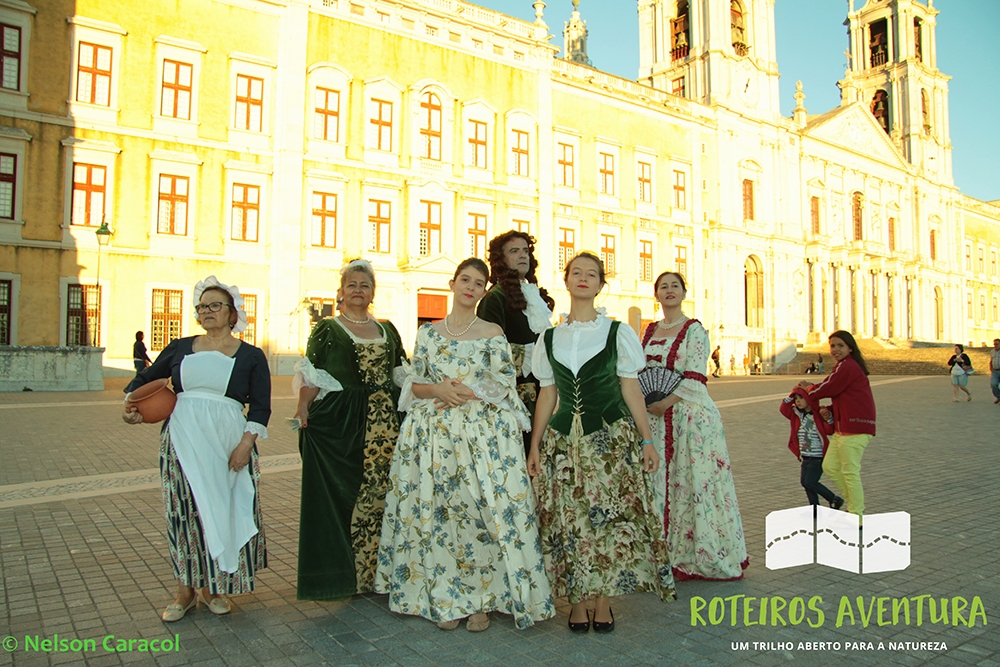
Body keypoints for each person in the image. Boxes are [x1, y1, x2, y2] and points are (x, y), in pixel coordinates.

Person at [376, 258, 554, 632]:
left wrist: (468, 391)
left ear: (483, 291)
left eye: (478, 283)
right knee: (442, 513)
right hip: (434, 437)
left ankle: (482, 600)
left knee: (481, 513)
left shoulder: (492, 332)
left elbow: (504, 384)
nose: (470, 287)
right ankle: (447, 597)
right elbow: (415, 385)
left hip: (482, 435)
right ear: (453, 283)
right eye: (465, 280)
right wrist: (438, 389)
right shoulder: (428, 333)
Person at [528, 252, 674, 634]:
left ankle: (604, 601)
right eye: (576, 272)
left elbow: (630, 388)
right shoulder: (549, 337)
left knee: (608, 519)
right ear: (566, 280)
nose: (583, 278)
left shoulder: (617, 332)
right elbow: (547, 393)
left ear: (600, 284)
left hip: (609, 442)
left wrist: (647, 440)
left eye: (591, 274)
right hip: (563, 444)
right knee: (570, 521)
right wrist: (535, 445)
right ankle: (577, 602)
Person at [122, 276, 270, 622]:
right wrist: (131, 406)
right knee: (183, 513)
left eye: (215, 305)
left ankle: (214, 588)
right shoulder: (180, 347)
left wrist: (245, 445)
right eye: (202, 306)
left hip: (229, 441)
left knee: (221, 510)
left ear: (233, 313)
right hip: (182, 438)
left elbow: (261, 406)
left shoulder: (251, 355)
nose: (206, 311)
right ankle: (185, 591)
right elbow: (144, 380)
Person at [293, 259, 406, 601]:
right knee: (351, 495)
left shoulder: (388, 329)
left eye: (364, 285)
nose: (358, 290)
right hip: (346, 423)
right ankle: (351, 577)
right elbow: (314, 375)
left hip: (388, 424)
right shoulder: (327, 330)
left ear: (373, 292)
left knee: (386, 494)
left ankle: (384, 574)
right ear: (341, 292)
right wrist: (302, 408)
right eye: (352, 285)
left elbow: (401, 375)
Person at [641, 271, 748, 581]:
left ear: (684, 293)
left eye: (675, 286)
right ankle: (663, 553)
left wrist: (665, 402)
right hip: (656, 420)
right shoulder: (649, 331)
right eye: (663, 287)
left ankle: (693, 554)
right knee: (660, 481)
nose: (669, 291)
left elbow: (695, 375)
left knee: (691, 481)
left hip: (689, 417)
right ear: (656, 294)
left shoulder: (695, 330)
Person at [477, 231, 554, 449]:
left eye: (525, 251)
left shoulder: (534, 295)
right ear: (501, 260)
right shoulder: (495, 298)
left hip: (543, 392)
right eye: (514, 251)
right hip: (516, 398)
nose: (522, 255)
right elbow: (486, 354)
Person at [797, 330, 876, 517]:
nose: (835, 349)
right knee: (830, 467)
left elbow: (828, 387)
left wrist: (808, 388)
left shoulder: (848, 366)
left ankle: (856, 514)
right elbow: (844, 397)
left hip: (855, 428)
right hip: (844, 428)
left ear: (850, 348)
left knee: (850, 472)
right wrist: (830, 410)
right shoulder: (843, 366)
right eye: (832, 346)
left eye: (840, 345)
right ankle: (853, 504)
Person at [780, 388, 842, 509]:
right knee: (805, 483)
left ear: (810, 399)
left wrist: (828, 418)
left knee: (810, 482)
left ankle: (834, 499)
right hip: (805, 456)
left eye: (801, 398)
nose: (797, 401)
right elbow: (783, 409)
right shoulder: (798, 415)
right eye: (796, 399)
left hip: (817, 457)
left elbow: (829, 430)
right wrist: (791, 394)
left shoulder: (818, 415)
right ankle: (814, 508)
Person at [990, 339, 1000, 405]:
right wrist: (991, 367)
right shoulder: (992, 351)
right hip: (995, 371)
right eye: (994, 344)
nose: (995, 345)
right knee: (993, 384)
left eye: (997, 344)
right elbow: (991, 360)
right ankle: (999, 396)